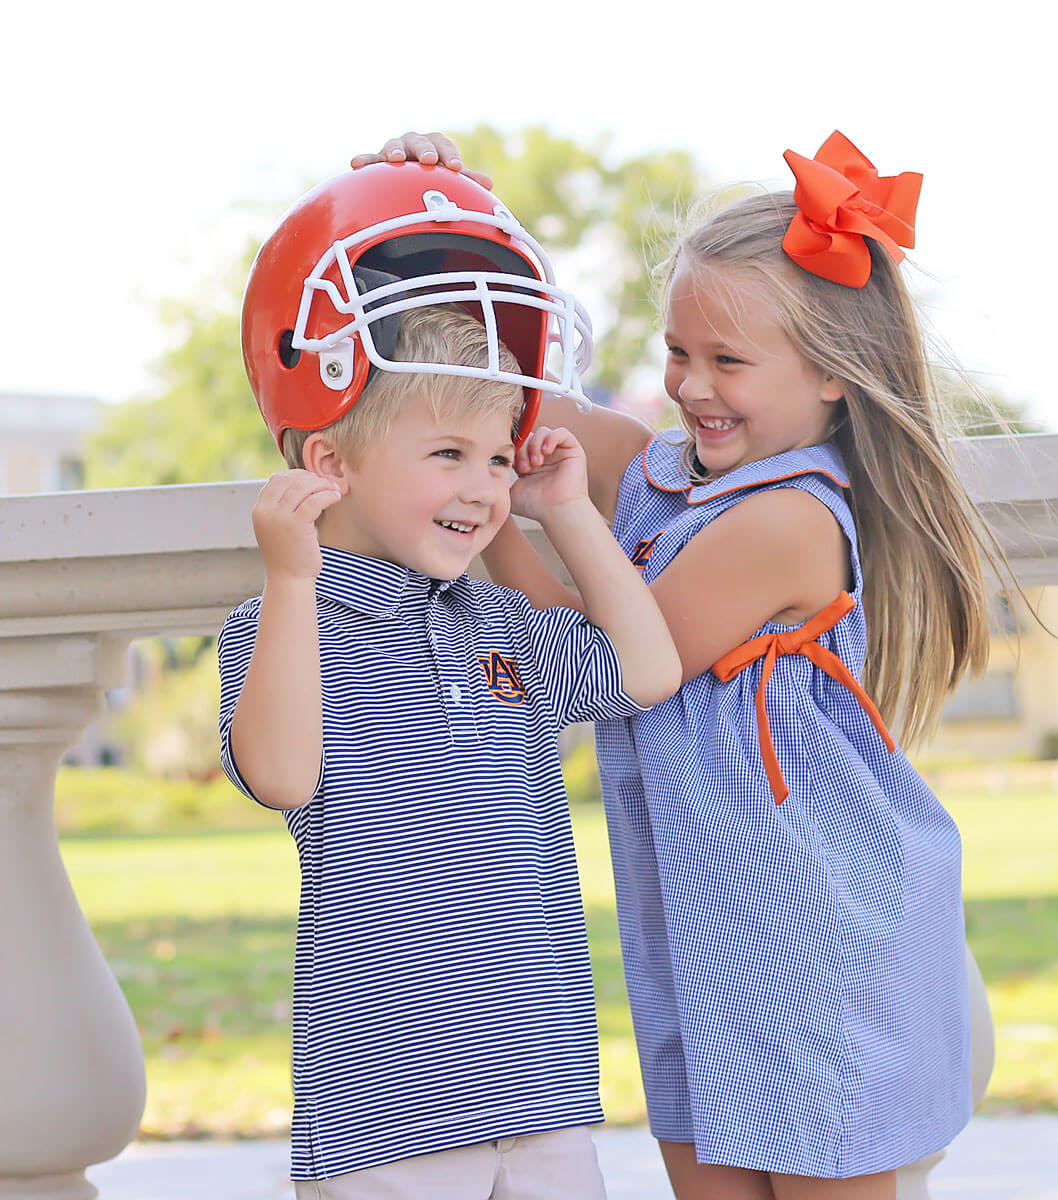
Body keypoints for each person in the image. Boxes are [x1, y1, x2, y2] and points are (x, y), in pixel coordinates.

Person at [359, 132, 1005, 1200]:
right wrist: (441, 219)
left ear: (837, 379)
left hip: (811, 938)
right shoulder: (657, 473)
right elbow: (486, 392)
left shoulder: (792, 521)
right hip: (694, 924)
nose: (691, 386)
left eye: (728, 362)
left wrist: (509, 515)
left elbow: (613, 658)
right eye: (677, 353)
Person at [218, 160, 681, 1200]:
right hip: (386, 1122)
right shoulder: (278, 624)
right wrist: (292, 580)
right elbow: (284, 778)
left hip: (545, 1097)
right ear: (329, 462)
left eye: (495, 458)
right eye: (448, 455)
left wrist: (563, 512)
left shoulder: (499, 624)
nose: (482, 488)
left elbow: (649, 669)